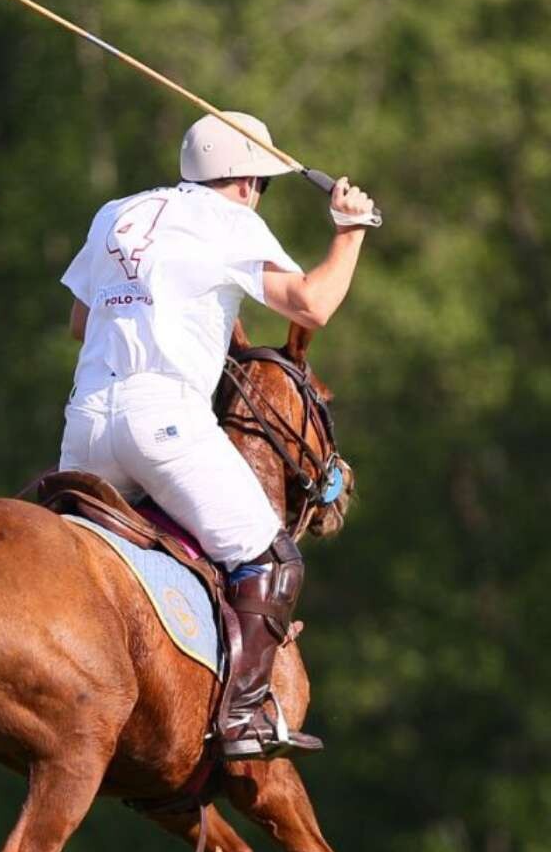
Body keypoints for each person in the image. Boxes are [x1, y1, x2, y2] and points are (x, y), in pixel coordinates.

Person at [58, 111, 379, 758]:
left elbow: (77, 323)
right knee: (270, 559)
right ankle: (242, 718)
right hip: (164, 422)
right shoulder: (230, 220)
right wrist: (350, 231)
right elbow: (311, 305)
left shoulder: (114, 214)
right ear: (245, 183)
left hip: (86, 426)